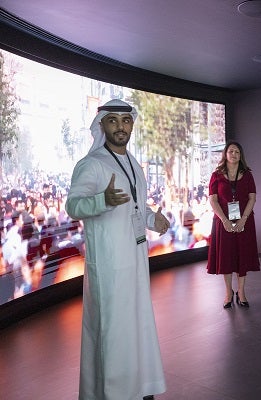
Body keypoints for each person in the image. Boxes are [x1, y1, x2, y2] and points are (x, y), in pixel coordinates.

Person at [65, 99, 168, 400]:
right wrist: (102, 201)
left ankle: (139, 387)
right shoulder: (92, 163)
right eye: (113, 121)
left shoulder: (133, 164)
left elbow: (136, 207)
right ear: (102, 125)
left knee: (136, 324)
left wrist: (153, 219)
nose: (120, 126)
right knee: (113, 330)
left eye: (126, 121)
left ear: (132, 124)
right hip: (109, 266)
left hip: (136, 262)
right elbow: (73, 206)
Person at [207, 141, 259, 308]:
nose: (234, 154)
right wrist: (224, 220)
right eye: (231, 151)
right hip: (223, 222)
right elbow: (213, 200)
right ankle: (228, 292)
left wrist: (244, 218)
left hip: (245, 221)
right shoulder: (216, 175)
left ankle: (241, 292)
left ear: (240, 155)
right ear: (225, 154)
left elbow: (252, 198)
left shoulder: (247, 174)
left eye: (237, 152)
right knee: (226, 257)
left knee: (242, 255)